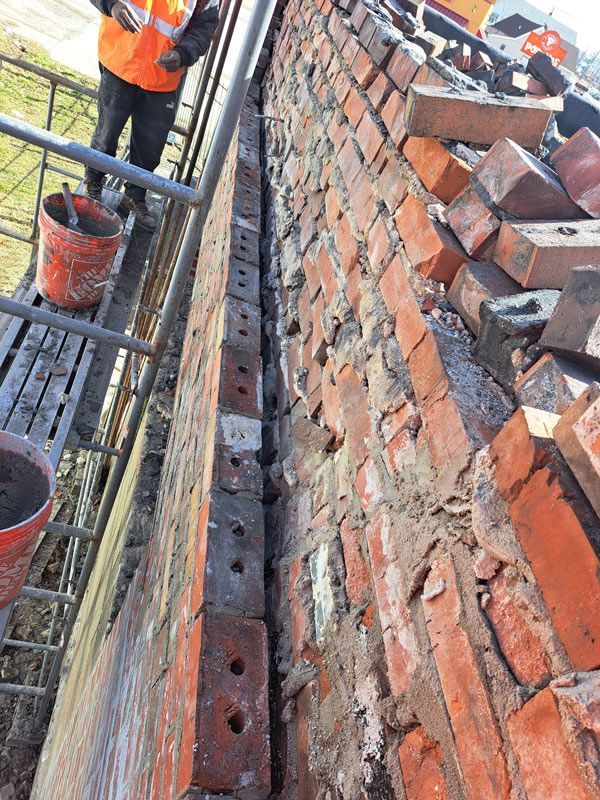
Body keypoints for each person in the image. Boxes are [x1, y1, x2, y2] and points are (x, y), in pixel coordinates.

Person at [85, 0, 219, 229]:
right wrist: (112, 4)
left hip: (162, 79)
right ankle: (93, 184)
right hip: (121, 61)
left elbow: (204, 27)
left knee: (149, 148)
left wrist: (182, 54)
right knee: (106, 133)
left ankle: (133, 197)